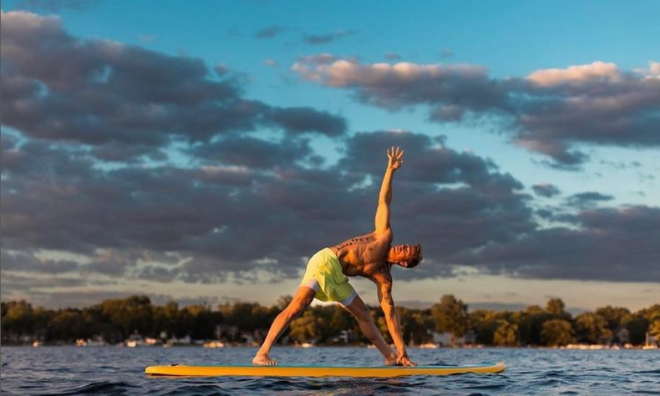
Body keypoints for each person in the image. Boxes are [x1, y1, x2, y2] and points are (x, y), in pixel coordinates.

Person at [252, 146, 423, 366]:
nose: (402, 246)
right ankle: (262, 353)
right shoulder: (384, 235)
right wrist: (390, 170)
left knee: (364, 314)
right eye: (405, 245)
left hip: (338, 278)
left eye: (405, 251)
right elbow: (384, 201)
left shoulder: (384, 278)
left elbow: (390, 315)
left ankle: (392, 357)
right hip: (325, 261)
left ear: (403, 263)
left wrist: (403, 349)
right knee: (298, 305)